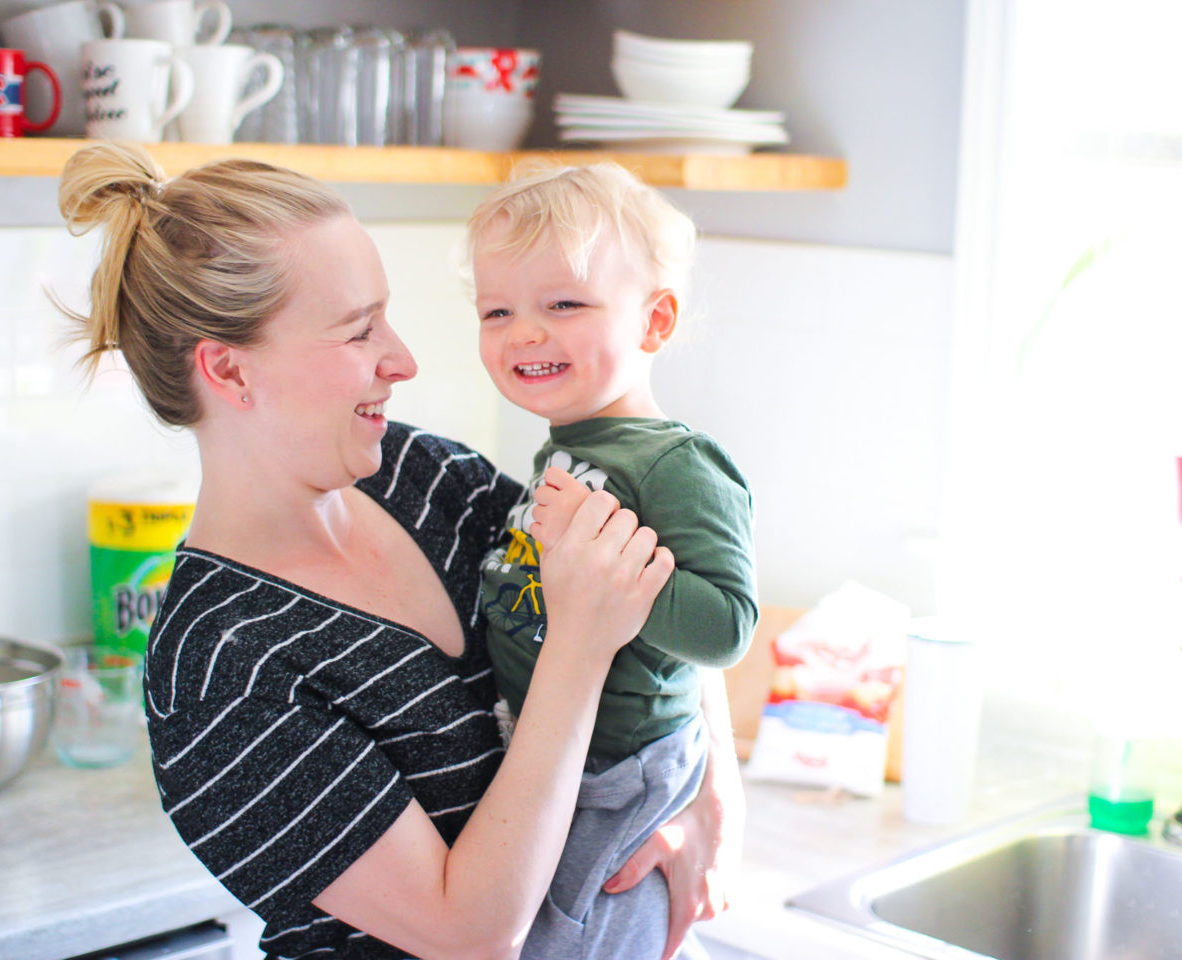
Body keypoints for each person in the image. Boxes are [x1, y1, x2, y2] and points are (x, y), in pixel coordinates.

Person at [55, 141, 744, 960]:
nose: (403, 360)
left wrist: (703, 803)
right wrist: (578, 650)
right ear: (229, 371)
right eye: (358, 331)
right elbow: (471, 934)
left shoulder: (420, 476)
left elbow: (643, 576)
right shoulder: (221, 669)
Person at [465, 162, 759, 960]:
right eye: (498, 310)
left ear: (654, 322)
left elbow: (728, 626)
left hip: (622, 774)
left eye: (564, 304)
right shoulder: (571, 446)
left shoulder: (677, 464)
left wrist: (609, 567)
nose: (526, 331)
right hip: (562, 760)